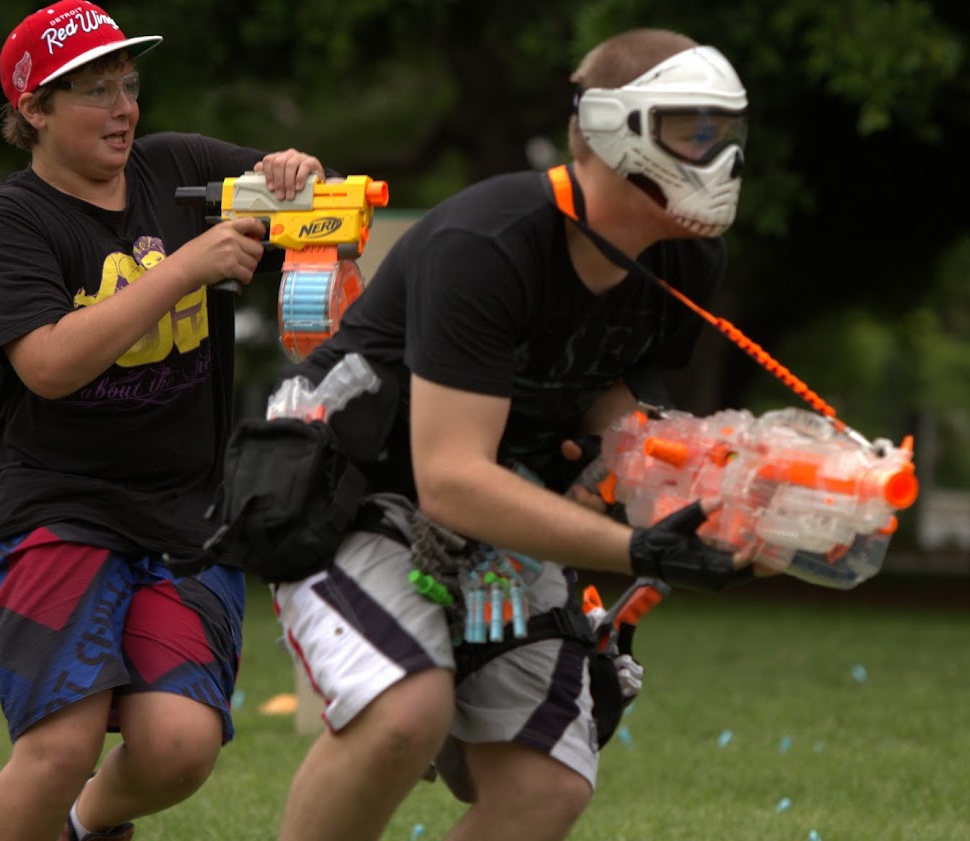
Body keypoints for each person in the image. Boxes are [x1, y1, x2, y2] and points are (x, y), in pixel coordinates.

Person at [262, 28, 760, 841]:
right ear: (613, 129)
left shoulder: (688, 259)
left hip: (505, 506)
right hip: (358, 492)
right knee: (403, 712)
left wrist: (729, 492)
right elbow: (450, 476)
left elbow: (613, 392)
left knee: (546, 783)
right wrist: (635, 547)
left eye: (727, 133)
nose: (720, 157)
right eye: (693, 132)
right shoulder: (486, 241)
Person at [0, 3, 325, 840]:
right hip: (57, 511)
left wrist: (301, 175)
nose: (124, 107)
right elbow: (49, 365)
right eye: (96, 92)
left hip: (186, 518)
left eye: (128, 85)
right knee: (61, 745)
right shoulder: (16, 220)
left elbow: (319, 212)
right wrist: (189, 265)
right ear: (35, 111)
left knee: (180, 745)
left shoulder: (184, 165)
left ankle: (83, 828)